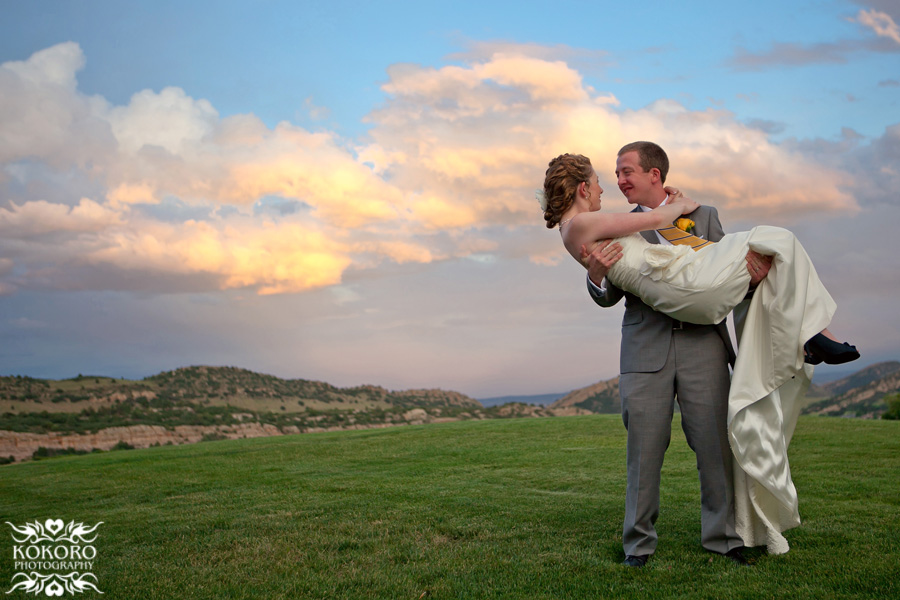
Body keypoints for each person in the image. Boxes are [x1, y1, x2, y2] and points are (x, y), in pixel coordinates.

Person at [540, 147, 858, 566]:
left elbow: (723, 273)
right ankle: (638, 546)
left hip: (702, 345)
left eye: (626, 170)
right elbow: (609, 293)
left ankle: (725, 538)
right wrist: (595, 277)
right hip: (646, 350)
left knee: (715, 449)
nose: (617, 180)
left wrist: (750, 281)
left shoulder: (704, 216)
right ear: (585, 187)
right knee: (644, 453)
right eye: (612, 174)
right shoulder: (609, 224)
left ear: (655, 173)